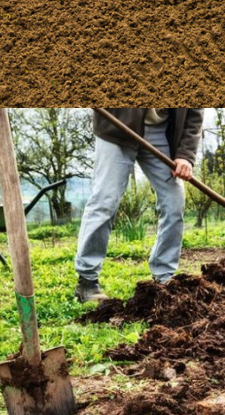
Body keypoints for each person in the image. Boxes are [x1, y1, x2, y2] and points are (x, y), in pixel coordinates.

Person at [74, 108, 204, 302]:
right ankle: (87, 280)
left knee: (174, 202)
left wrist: (185, 154)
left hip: (162, 132)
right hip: (117, 128)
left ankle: (164, 277)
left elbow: (195, 112)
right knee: (105, 201)